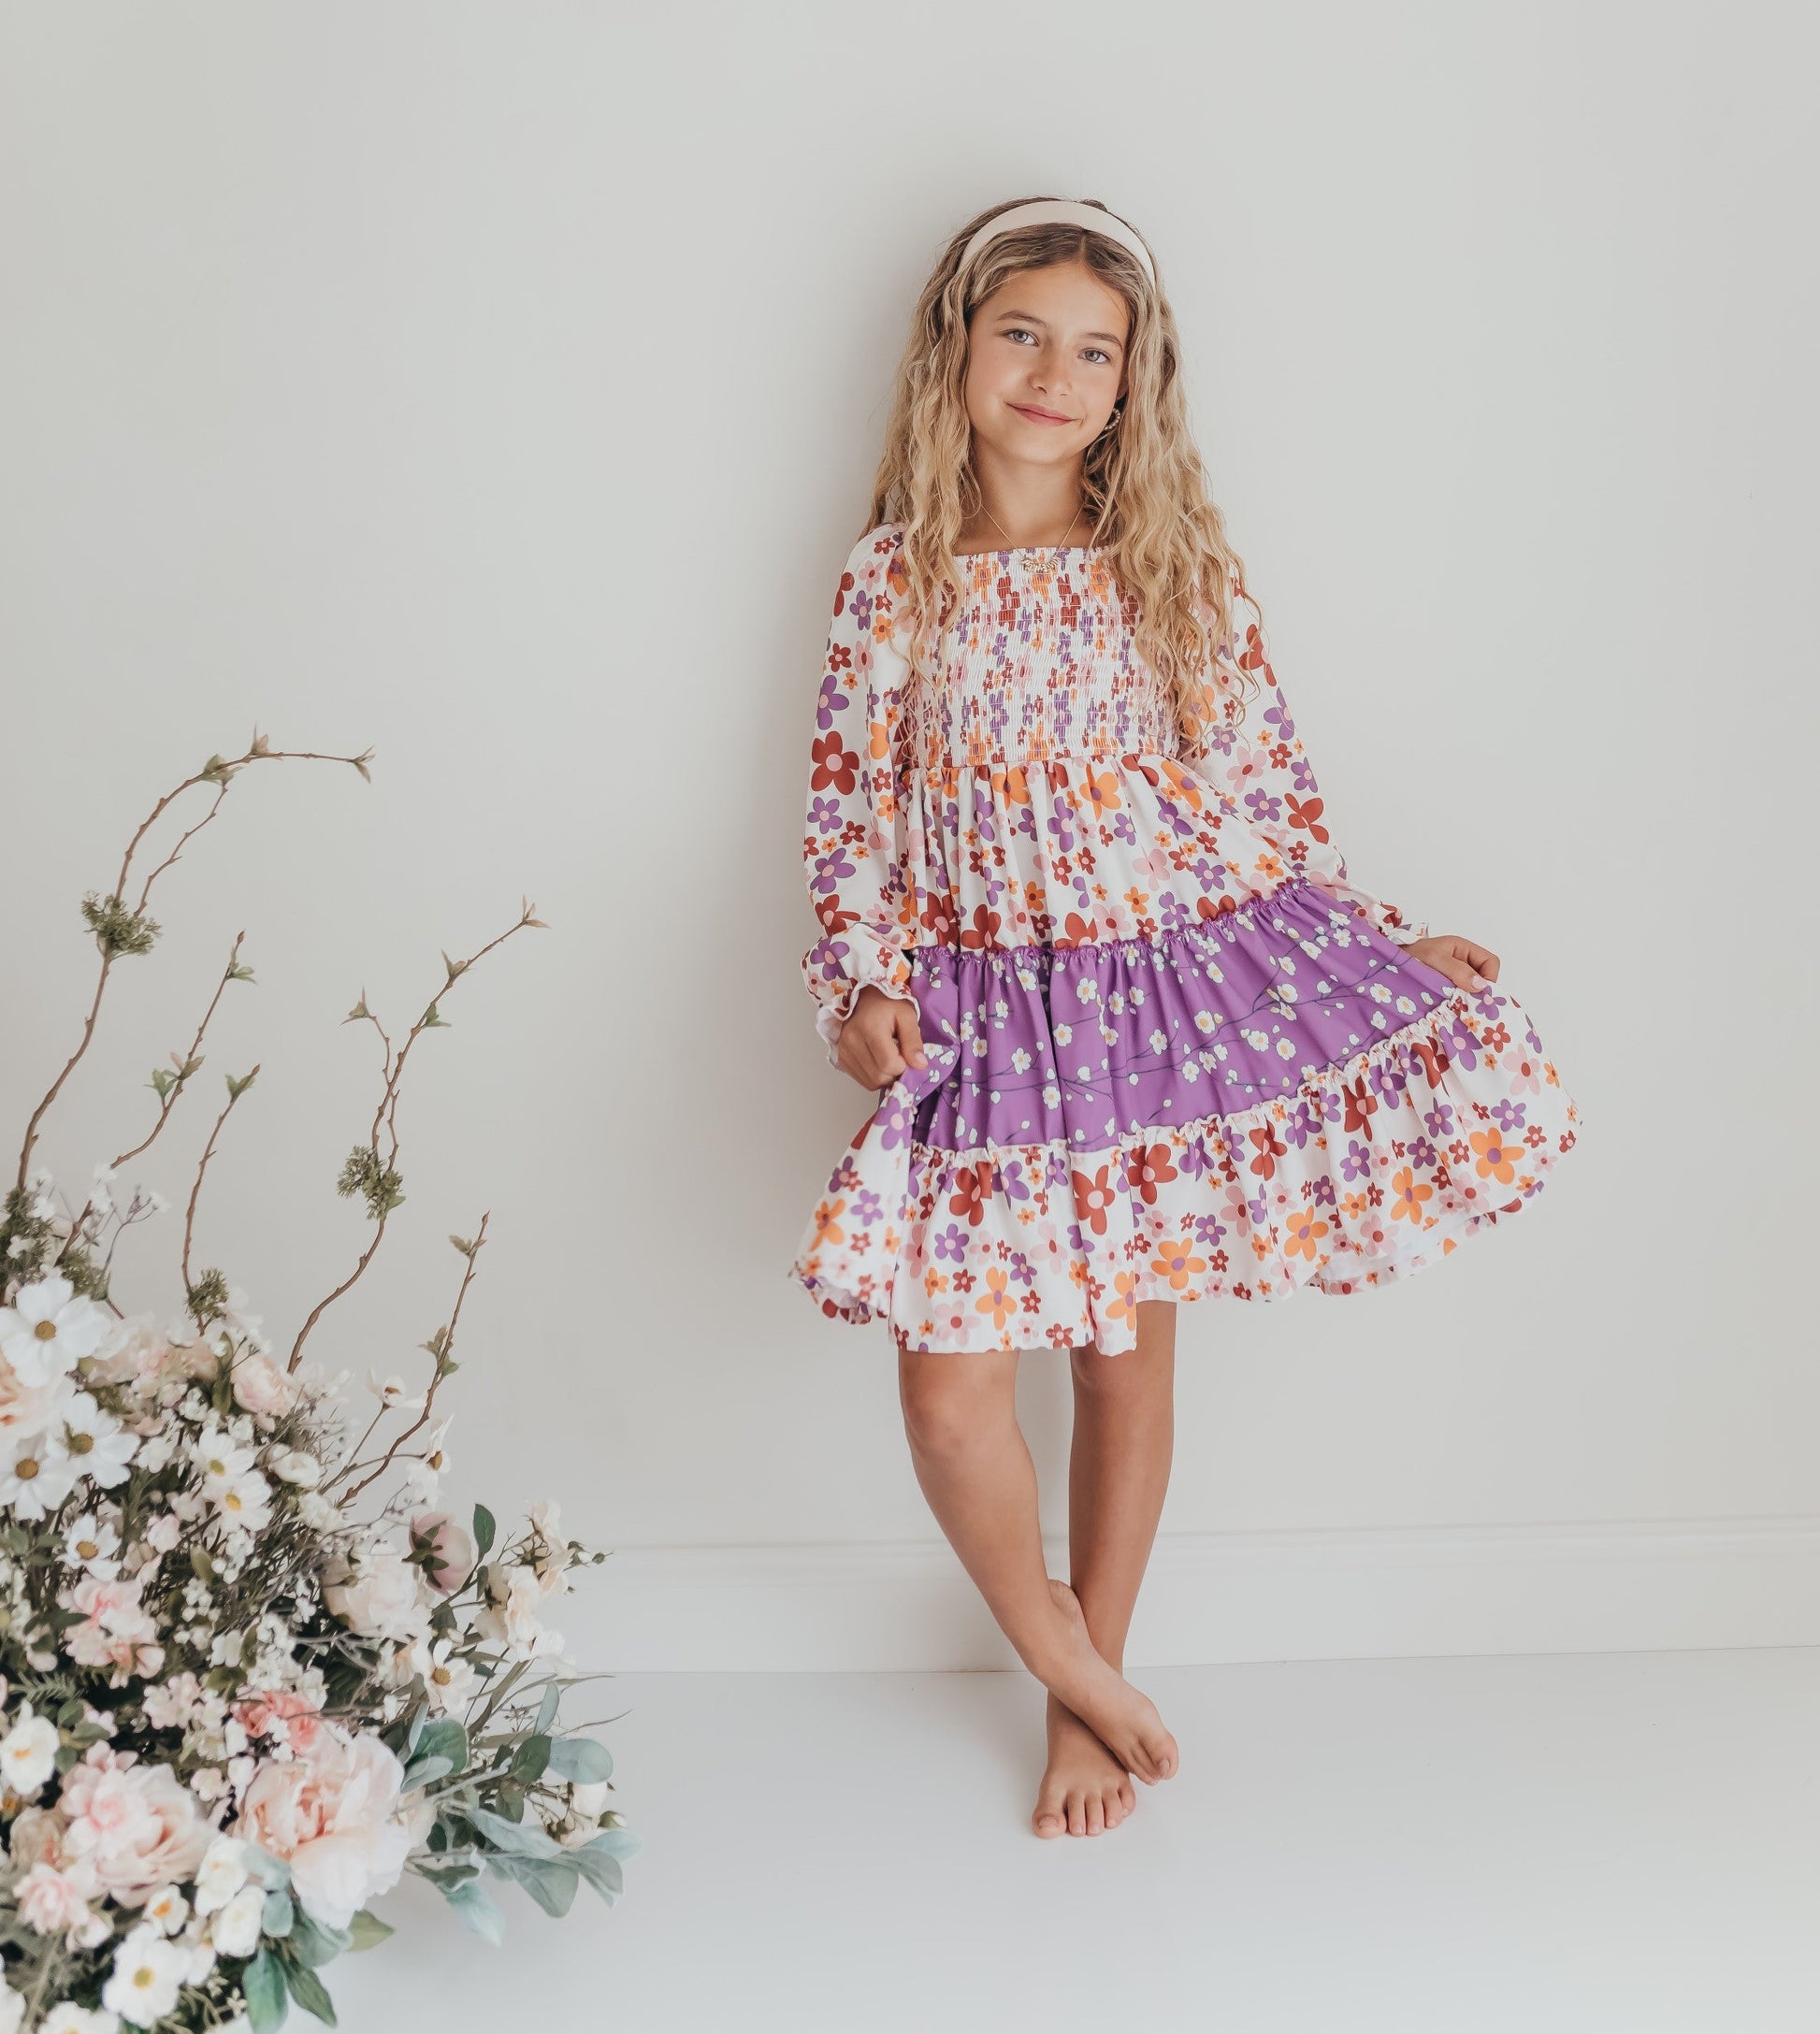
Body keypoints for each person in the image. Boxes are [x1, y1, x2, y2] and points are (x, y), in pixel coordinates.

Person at [788, 195, 1582, 1839]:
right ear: (954, 349)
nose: (1052, 375)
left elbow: (1262, 792)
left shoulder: (1168, 569)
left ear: (1131, 384)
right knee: (947, 1397)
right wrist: (856, 982)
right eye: (1022, 335)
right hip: (978, 1011)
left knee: (1119, 1365)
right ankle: (1070, 1663)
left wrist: (1375, 940)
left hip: (1152, 997)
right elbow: (848, 810)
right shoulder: (892, 577)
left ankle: (1086, 1693)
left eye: (1095, 352)